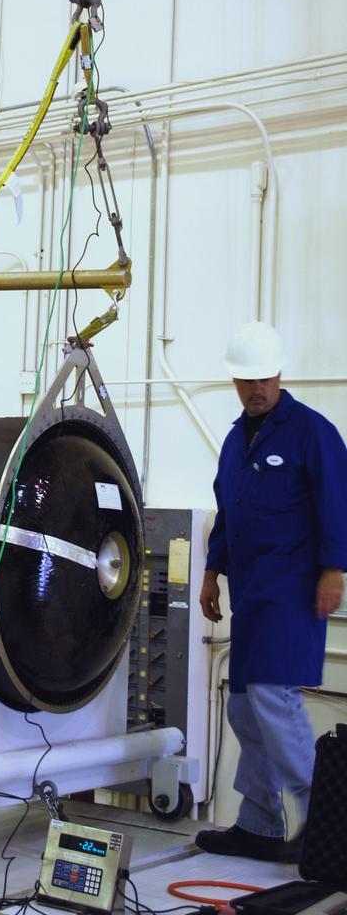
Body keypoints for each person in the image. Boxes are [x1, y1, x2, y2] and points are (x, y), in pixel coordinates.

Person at [195, 322, 347, 861]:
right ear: (235, 380)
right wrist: (213, 572)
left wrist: (335, 569)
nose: (255, 388)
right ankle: (260, 824)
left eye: (264, 378)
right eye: (245, 380)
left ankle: (330, 826)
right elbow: (229, 512)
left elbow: (337, 502)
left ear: (279, 374)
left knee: (272, 700)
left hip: (294, 590)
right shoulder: (237, 440)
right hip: (252, 594)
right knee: (243, 708)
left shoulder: (312, 433)